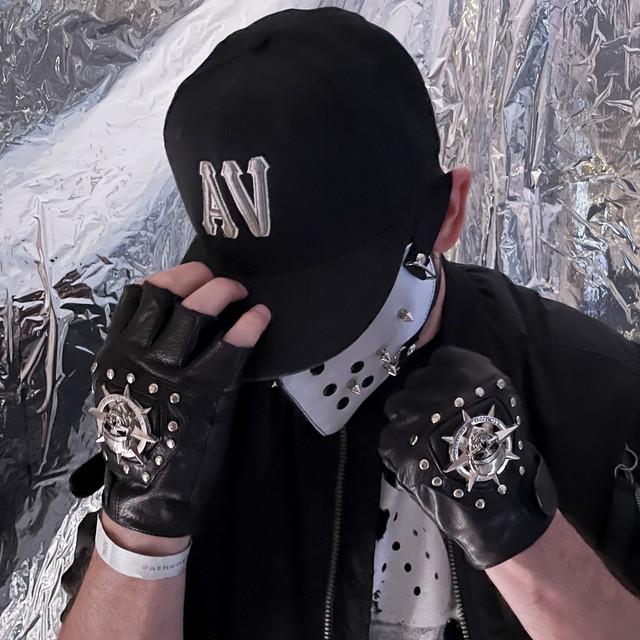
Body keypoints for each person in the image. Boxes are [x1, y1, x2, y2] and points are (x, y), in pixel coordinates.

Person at [57, 7, 640, 640]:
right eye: (251, 282)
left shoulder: (595, 391)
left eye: (326, 290)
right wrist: (142, 517)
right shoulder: (186, 404)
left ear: (448, 214)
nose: (283, 341)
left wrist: (525, 537)